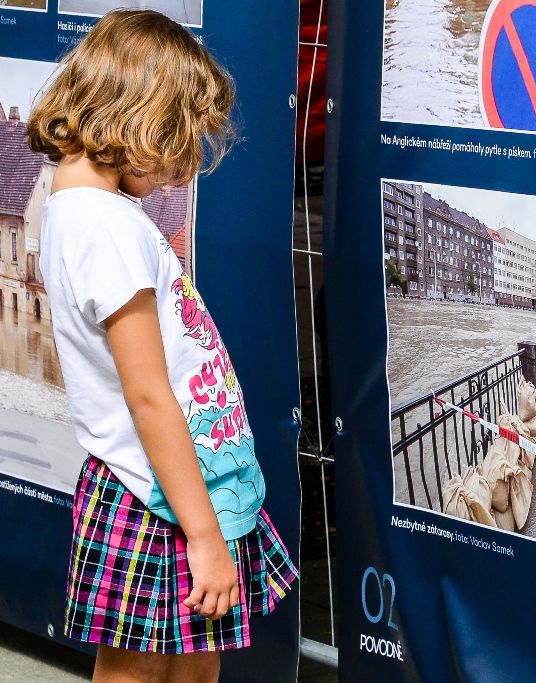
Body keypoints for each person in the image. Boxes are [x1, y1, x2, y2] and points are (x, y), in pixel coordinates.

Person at [27, 9, 297, 682]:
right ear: (139, 119)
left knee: (196, 658)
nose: (180, 172)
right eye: (178, 145)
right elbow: (148, 394)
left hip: (180, 486)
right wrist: (204, 533)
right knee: (139, 670)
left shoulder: (82, 210)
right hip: (157, 493)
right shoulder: (108, 229)